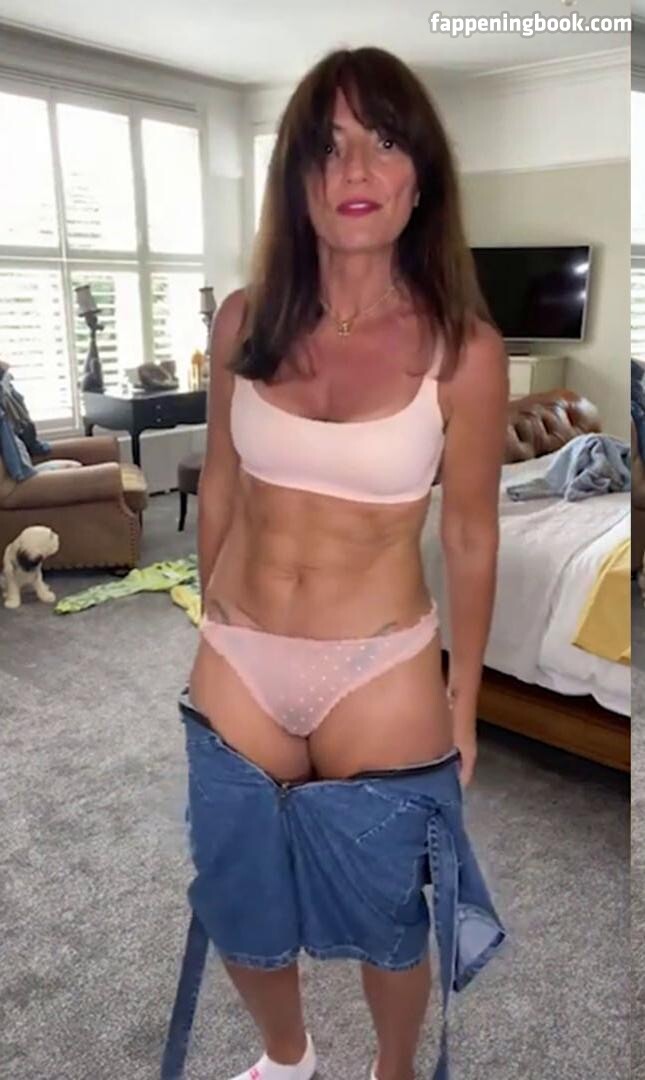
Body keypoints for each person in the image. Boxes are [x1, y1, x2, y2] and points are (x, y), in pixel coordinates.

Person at [162, 46, 508, 1080]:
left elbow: (471, 535)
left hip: (380, 669)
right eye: (328, 145)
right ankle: (289, 1056)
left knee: (388, 919)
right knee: (236, 900)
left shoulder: (466, 350)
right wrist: (210, 623)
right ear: (297, 177)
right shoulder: (243, 319)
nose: (354, 169)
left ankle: (390, 1071)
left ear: (420, 177)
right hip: (240, 658)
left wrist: (465, 700)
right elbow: (223, 486)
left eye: (384, 142)